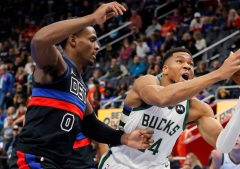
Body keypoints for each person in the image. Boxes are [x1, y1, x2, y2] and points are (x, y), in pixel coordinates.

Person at [8, 2, 153, 168]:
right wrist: (91, 18)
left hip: (56, 162)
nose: (97, 46)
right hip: (34, 157)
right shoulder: (58, 65)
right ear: (73, 40)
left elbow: (92, 126)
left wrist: (125, 138)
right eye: (92, 40)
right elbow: (39, 41)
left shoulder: (80, 85)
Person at [99, 46, 240, 169]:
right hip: (119, 164)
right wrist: (219, 73)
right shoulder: (147, 82)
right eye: (180, 61)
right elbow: (162, 98)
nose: (187, 66)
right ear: (165, 69)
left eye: (191, 64)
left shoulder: (196, 109)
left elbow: (224, 146)